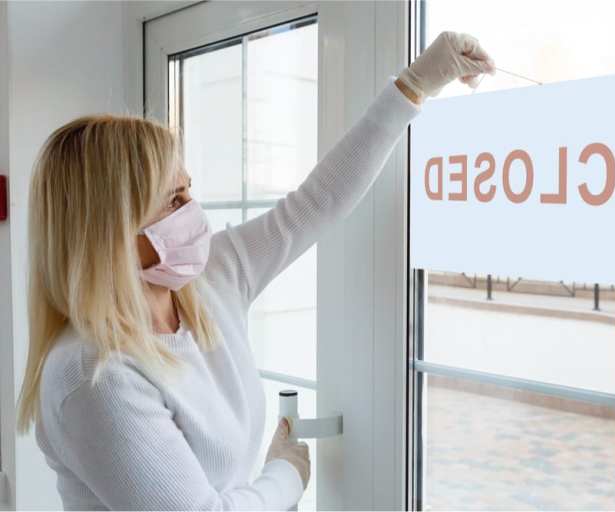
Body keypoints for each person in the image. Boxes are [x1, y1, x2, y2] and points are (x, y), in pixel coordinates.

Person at [16, 31, 495, 510]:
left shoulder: (207, 282)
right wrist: (286, 473)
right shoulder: (92, 376)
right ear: (109, 230)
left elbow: (316, 204)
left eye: (189, 190)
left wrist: (413, 86)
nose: (193, 212)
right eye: (172, 200)